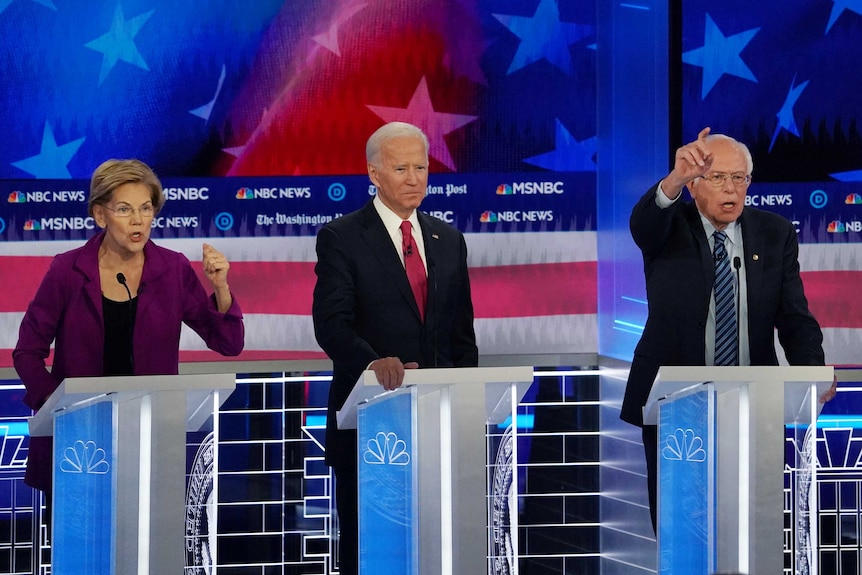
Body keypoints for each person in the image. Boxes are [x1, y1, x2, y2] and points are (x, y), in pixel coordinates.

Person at [621, 127, 834, 531]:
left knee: (752, 523)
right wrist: (673, 180)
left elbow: (793, 316)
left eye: (740, 178)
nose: (731, 188)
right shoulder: (668, 227)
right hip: (675, 404)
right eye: (719, 177)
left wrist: (811, 371)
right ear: (696, 185)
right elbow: (642, 224)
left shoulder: (774, 233)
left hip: (753, 403)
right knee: (680, 526)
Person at [14, 158, 245, 496]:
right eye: (124, 209)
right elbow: (27, 352)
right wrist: (56, 405)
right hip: (79, 443)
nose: (138, 220)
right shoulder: (67, 270)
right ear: (100, 214)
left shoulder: (172, 269)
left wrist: (221, 286)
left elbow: (228, 342)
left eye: (146, 208)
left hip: (149, 438)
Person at [312, 121, 478, 574]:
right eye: (401, 167)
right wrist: (371, 362)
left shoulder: (449, 239)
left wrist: (467, 402)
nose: (413, 178)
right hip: (371, 421)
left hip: (437, 423)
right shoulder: (342, 237)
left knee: (436, 544)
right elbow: (331, 325)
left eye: (420, 167)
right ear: (374, 174)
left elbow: (461, 335)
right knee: (371, 550)